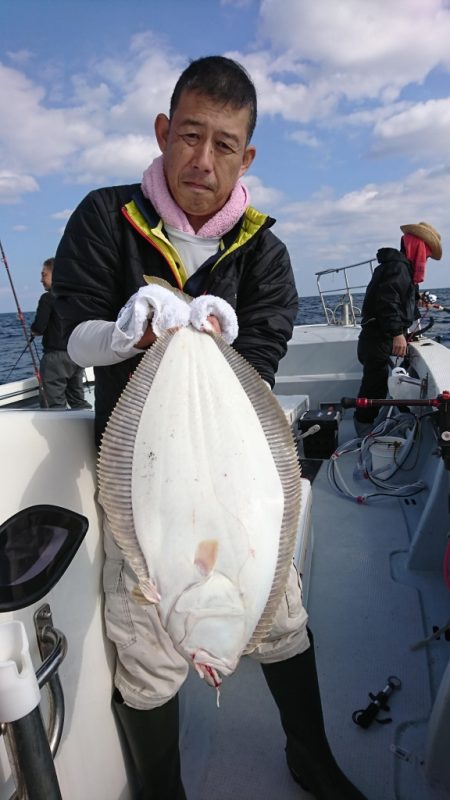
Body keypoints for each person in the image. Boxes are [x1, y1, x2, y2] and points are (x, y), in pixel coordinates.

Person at [52, 56, 365, 799]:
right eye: (190, 135)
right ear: (163, 132)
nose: (203, 158)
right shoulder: (105, 216)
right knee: (147, 655)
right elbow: (71, 335)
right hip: (144, 485)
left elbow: (258, 365)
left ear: (246, 155)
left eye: (224, 144)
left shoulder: (266, 253)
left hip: (238, 473)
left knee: (279, 613)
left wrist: (211, 336)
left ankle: (310, 755)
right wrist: (129, 332)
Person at [353, 222, 442, 437]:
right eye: (426, 255)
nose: (426, 260)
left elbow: (398, 296)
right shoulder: (399, 268)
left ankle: (369, 425)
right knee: (373, 386)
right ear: (419, 249)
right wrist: (397, 333)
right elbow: (387, 301)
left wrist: (418, 301)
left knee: (376, 381)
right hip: (378, 338)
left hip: (375, 337)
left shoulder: (398, 267)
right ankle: (363, 432)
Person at [30, 258, 92, 410]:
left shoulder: (47, 298)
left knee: (53, 405)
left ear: (55, 275)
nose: (41, 280)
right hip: (77, 357)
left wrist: (34, 331)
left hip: (55, 359)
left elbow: (39, 328)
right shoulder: (77, 298)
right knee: (78, 401)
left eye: (44, 275)